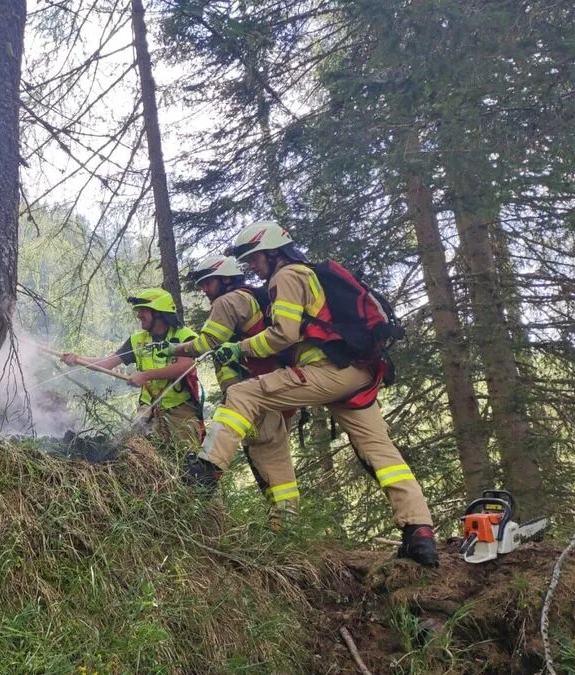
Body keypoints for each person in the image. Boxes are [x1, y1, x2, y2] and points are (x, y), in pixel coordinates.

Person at [181, 221, 439, 567]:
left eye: (255, 259)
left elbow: (282, 335)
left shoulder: (286, 276)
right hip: (357, 372)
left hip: (326, 370)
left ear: (273, 252)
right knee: (380, 452)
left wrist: (238, 349)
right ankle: (419, 533)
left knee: (243, 393)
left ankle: (206, 471)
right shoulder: (309, 274)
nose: (252, 268)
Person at [172, 255, 299, 520]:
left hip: (256, 391)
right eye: (201, 285)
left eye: (208, 283)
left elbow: (207, 342)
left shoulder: (228, 300)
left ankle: (207, 471)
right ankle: (286, 519)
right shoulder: (251, 298)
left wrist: (175, 349)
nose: (204, 290)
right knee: (271, 453)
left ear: (226, 278)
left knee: (267, 453)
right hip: (273, 387)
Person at [60, 288, 203, 452]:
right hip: (149, 409)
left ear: (159, 313)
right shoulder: (137, 341)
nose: (139, 315)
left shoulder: (186, 336)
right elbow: (106, 363)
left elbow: (184, 367)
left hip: (181, 410)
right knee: (137, 451)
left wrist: (145, 376)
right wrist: (77, 359)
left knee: (187, 459)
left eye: (143, 311)